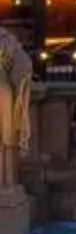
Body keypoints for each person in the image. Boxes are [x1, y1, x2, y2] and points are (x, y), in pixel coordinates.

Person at [0, 28, 32, 192]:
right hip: (3, 90)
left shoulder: (6, 39)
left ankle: (5, 182)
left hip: (2, 91)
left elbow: (22, 65)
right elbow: (24, 65)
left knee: (4, 137)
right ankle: (6, 183)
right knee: (5, 137)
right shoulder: (7, 39)